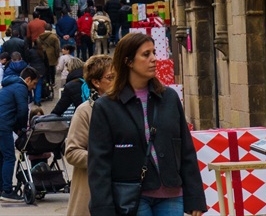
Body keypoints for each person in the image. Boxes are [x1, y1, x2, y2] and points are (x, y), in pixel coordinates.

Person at [88, 32, 206, 216]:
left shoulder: (169, 98)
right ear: (128, 61)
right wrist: (103, 209)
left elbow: (185, 150)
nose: (154, 59)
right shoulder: (106, 106)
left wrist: (195, 197)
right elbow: (99, 164)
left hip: (171, 193)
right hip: (132, 195)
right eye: (146, 54)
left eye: (154, 52)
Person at [64, 54, 113, 216]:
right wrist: (103, 158)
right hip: (92, 191)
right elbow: (72, 152)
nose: (116, 82)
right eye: (110, 78)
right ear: (96, 82)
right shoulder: (85, 111)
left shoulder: (127, 108)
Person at [0, 66, 40, 203]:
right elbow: (22, 111)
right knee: (9, 157)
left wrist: (17, 129)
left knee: (1, 158)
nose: (33, 88)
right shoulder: (21, 88)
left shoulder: (10, 86)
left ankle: (2, 189)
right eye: (33, 84)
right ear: (28, 79)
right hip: (1, 125)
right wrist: (21, 129)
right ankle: (7, 191)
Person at [37, 28, 61, 97]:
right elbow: (57, 47)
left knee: (46, 70)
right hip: (51, 54)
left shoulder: (40, 36)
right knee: (52, 69)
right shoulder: (54, 37)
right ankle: (52, 82)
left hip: (43, 54)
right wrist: (57, 55)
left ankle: (47, 82)